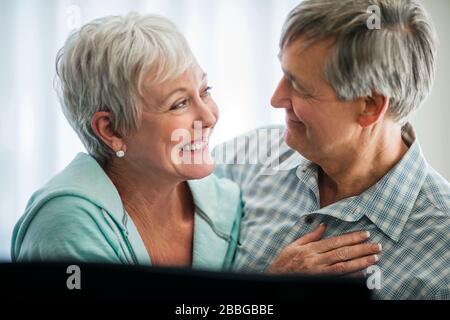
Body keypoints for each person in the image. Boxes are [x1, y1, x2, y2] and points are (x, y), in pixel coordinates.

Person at [11, 13, 379, 274]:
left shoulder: (226, 203)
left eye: (205, 90)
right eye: (179, 104)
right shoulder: (65, 224)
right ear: (111, 130)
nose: (209, 117)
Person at [214, 0, 450, 299]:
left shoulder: (442, 251)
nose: (275, 99)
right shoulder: (248, 157)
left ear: (369, 106)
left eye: (299, 86)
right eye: (284, 73)